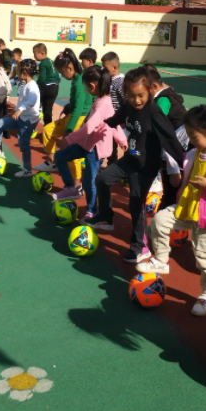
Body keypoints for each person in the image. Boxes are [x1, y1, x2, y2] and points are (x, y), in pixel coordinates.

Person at [137, 105, 206, 316]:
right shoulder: (196, 152)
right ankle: (161, 259)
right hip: (188, 207)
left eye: (194, 136)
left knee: (205, 258)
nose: (191, 141)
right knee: (159, 221)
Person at [85, 67, 184, 264]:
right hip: (131, 158)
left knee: (135, 203)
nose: (136, 100)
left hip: (146, 166)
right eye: (131, 96)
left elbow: (170, 140)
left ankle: (140, 247)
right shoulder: (129, 106)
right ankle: (106, 217)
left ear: (149, 91)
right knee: (102, 179)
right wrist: (106, 123)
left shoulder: (154, 112)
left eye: (141, 95)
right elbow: (118, 117)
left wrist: (182, 165)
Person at [52, 66, 127, 221]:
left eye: (86, 85)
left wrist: (69, 139)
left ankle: (92, 210)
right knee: (60, 156)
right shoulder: (100, 100)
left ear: (92, 85)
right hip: (85, 144)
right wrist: (122, 139)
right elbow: (113, 122)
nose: (86, 88)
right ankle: (71, 188)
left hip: (95, 150)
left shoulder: (104, 104)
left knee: (88, 182)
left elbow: (89, 128)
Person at [34, 49, 92, 188]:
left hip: (79, 118)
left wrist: (70, 129)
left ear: (70, 68)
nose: (61, 75)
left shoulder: (79, 81)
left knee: (71, 151)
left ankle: (77, 184)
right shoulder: (76, 79)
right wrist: (68, 106)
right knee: (48, 130)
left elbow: (79, 108)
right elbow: (75, 103)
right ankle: (52, 161)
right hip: (72, 115)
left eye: (61, 72)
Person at [0, 59, 40, 177]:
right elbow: (21, 101)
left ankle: (28, 169)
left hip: (28, 121)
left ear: (24, 72)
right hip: (20, 117)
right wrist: (13, 111)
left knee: (23, 144)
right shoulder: (24, 85)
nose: (16, 73)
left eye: (17, 71)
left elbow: (31, 101)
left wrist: (19, 110)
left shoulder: (32, 86)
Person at [144, 65, 188, 208]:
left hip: (177, 152)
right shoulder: (168, 94)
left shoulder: (163, 100)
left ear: (154, 86)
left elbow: (166, 135)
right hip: (178, 150)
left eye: (145, 91)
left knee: (172, 192)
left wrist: (173, 170)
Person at [33, 43, 59, 126]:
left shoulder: (43, 63)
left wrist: (35, 85)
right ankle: (47, 129)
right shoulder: (52, 61)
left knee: (34, 104)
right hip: (55, 87)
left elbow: (42, 78)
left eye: (35, 54)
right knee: (48, 109)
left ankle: (32, 125)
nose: (34, 56)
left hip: (46, 87)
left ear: (42, 53)